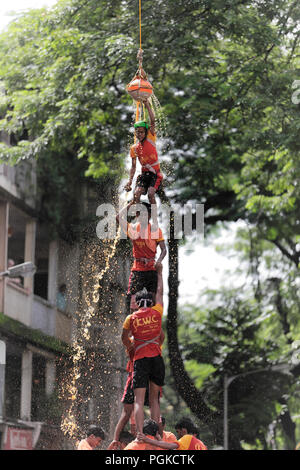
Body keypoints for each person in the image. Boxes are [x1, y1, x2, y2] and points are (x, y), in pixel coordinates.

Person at [121, 263, 165, 436]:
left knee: (139, 400)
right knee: (154, 400)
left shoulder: (131, 318)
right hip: (157, 358)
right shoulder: (157, 312)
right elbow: (160, 291)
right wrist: (159, 274)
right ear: (150, 302)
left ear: (137, 303)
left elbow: (124, 339)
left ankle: (140, 433)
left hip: (140, 359)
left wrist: (131, 346)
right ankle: (155, 433)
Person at [116, 200, 166, 314]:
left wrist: (159, 261)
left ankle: (152, 327)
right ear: (137, 215)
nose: (141, 216)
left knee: (153, 303)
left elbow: (164, 250)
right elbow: (118, 217)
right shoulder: (133, 229)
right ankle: (132, 327)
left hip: (151, 269)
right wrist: (131, 203)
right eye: (139, 213)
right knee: (133, 305)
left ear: (149, 215)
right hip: (137, 270)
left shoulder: (155, 230)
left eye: (144, 213)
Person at [124, 93, 163, 220]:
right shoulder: (134, 148)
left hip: (155, 174)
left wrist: (147, 105)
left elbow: (152, 120)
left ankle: (155, 219)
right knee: (136, 194)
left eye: (141, 132)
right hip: (144, 174)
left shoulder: (151, 137)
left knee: (151, 194)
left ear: (146, 132)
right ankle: (138, 216)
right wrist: (129, 182)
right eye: (137, 132)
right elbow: (133, 167)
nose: (139, 134)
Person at [137, 417, 208, 451]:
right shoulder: (202, 444)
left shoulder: (187, 438)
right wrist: (159, 439)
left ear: (183, 430)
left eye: (178, 432)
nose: (178, 435)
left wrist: (147, 440)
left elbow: (171, 446)